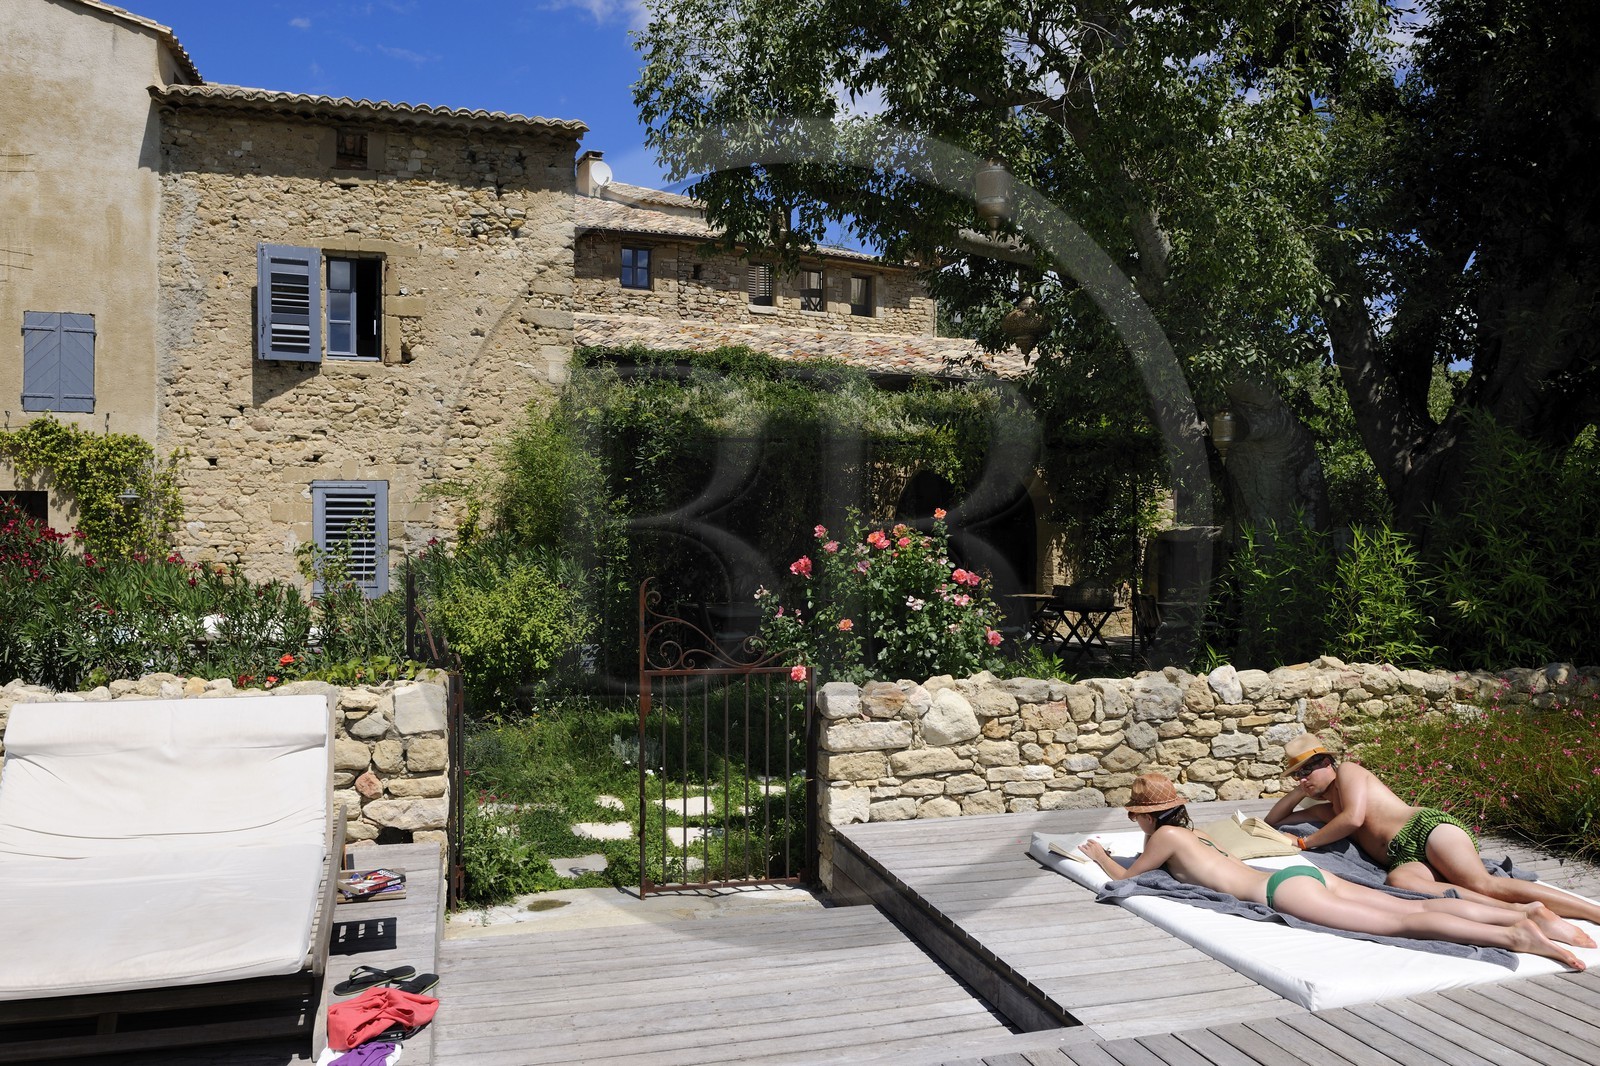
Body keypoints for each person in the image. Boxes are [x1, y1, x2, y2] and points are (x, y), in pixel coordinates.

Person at [1078, 773, 1586, 970]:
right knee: (1414, 904)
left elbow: (1127, 878)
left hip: (1282, 890)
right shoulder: (1196, 835)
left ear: (1145, 816)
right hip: (1305, 876)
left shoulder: (1165, 838)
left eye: (1137, 815)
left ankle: (1517, 933)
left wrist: (1100, 854)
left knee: (1402, 921)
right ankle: (1527, 911)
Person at [1264, 733, 1600, 929]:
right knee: (1400, 882)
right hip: (1403, 855)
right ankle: (1519, 912)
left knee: (1481, 881)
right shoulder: (1328, 806)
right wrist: (1299, 791)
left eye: (1309, 769)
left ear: (1328, 762)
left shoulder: (1350, 772)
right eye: (1297, 774)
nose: (1304, 777)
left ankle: (1593, 912)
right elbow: (1275, 822)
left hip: (1424, 829)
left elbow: (1353, 819)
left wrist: (1306, 842)